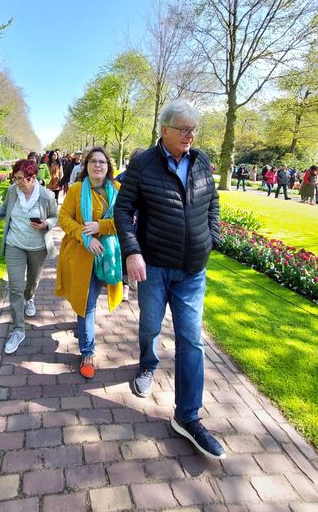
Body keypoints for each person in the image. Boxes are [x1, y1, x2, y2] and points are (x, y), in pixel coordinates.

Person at [114, 100, 225, 460]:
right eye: (184, 129)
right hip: (155, 267)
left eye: (194, 129)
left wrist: (212, 237)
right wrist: (132, 252)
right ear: (164, 130)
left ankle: (188, 417)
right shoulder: (143, 163)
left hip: (193, 269)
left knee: (191, 341)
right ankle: (147, 363)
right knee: (149, 326)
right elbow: (123, 209)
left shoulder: (202, 160)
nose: (190, 135)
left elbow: (213, 202)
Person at [55, 146, 123, 380]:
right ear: (85, 166)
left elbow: (125, 220)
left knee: (88, 305)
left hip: (108, 256)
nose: (97, 165)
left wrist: (101, 227)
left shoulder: (117, 189)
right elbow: (64, 218)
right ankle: (87, 352)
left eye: (102, 162)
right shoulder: (75, 190)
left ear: (108, 167)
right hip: (82, 257)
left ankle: (82, 331)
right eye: (93, 161)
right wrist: (85, 237)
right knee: (87, 304)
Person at [0, 159, 58, 354]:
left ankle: (31, 297)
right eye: (15, 178)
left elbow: (55, 217)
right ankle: (18, 330)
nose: (17, 182)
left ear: (32, 177)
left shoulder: (46, 195)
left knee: (32, 282)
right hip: (14, 244)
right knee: (15, 287)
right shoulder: (12, 191)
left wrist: (46, 224)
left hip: (37, 247)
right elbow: (4, 209)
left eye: (20, 179)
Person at [116, 147, 146, 301]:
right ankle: (125, 285)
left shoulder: (122, 178)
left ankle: (129, 282)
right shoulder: (121, 179)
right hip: (129, 223)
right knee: (127, 251)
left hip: (139, 223)